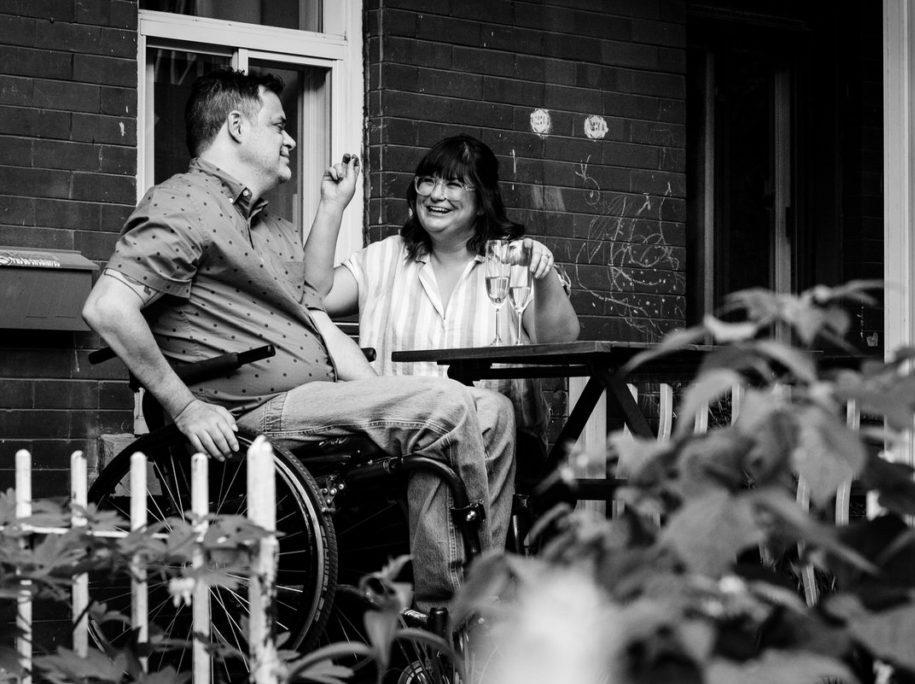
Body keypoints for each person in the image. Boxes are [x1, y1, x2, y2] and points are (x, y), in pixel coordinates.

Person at [81, 69, 515, 610]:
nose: (291, 138)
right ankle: (461, 608)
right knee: (444, 403)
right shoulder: (183, 203)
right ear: (237, 127)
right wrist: (184, 405)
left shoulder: (271, 225)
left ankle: (461, 591)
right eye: (279, 124)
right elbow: (107, 306)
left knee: (492, 409)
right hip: (250, 412)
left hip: (316, 400)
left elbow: (317, 315)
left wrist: (332, 207)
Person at [304, 134, 580, 458]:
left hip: (496, 451)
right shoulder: (387, 257)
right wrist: (331, 205)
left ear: (482, 201)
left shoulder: (513, 260)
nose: (436, 194)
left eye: (453, 184)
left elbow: (560, 342)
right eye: (428, 182)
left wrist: (543, 273)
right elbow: (315, 295)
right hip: (401, 451)